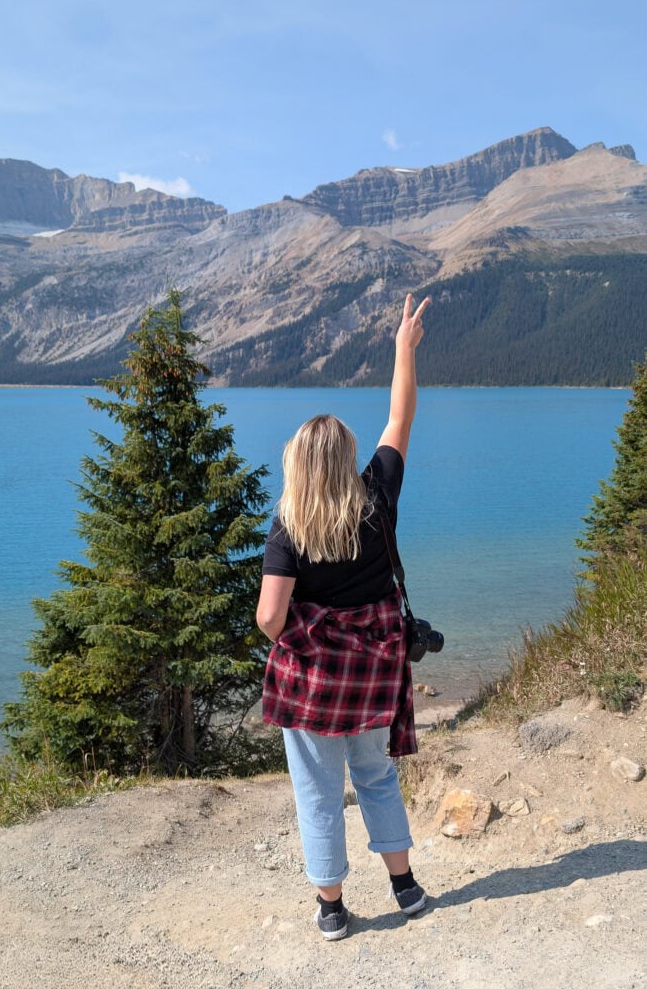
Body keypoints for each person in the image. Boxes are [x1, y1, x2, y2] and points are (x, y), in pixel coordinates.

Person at [256, 292, 431, 941]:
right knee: (376, 777)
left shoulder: (286, 526)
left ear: (298, 467)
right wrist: (400, 350)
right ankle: (405, 888)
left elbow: (270, 617)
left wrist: (307, 640)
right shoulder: (376, 495)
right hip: (372, 676)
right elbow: (399, 417)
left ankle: (331, 909)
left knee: (317, 793)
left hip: (311, 686)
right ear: (346, 459)